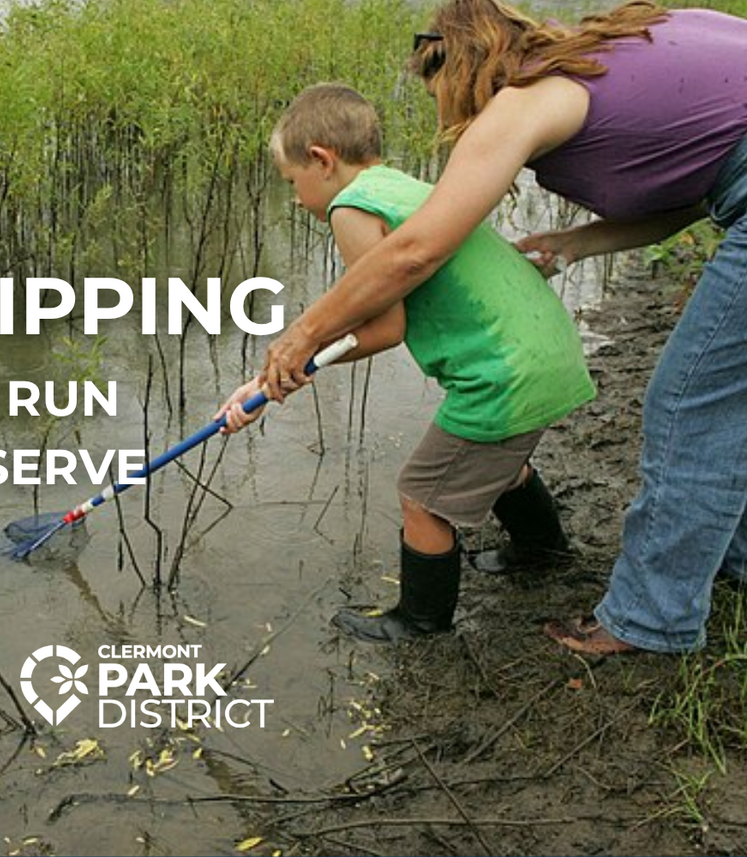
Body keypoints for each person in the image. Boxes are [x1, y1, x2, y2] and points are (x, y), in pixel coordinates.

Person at [259, 1, 747, 655]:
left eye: (438, 92)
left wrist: (303, 333)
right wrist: (574, 243)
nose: (446, 118)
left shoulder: (524, 100)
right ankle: (724, 558)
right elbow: (695, 187)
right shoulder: (605, 53)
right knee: (725, 407)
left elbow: (414, 252)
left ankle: (652, 619)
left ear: (462, 67)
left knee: (690, 409)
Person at [217, 83, 595, 642]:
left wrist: (285, 374)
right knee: (493, 462)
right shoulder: (402, 186)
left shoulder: (352, 207)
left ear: (321, 159)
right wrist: (273, 373)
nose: (296, 199)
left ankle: (420, 622)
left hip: (502, 375)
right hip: (545, 352)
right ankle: (542, 555)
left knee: (423, 496)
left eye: (292, 183)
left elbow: (385, 328)